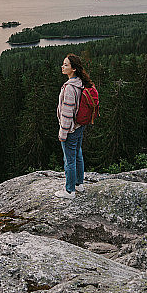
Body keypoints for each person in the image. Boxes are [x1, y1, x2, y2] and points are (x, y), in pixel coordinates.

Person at [55, 53, 94, 200]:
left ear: (74, 69)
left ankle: (69, 191)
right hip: (79, 126)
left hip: (70, 128)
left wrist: (63, 133)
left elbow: (67, 113)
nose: (62, 67)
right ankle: (79, 184)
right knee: (78, 154)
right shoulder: (80, 83)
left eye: (66, 65)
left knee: (69, 159)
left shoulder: (70, 88)